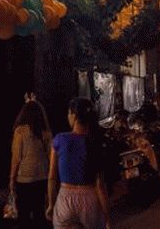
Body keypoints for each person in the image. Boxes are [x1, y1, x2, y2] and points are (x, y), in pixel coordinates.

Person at [47, 98, 110, 229]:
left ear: (74, 116)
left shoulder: (59, 140)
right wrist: (107, 218)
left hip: (65, 199)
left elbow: (52, 178)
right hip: (89, 201)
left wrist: (51, 205)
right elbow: (100, 185)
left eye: (69, 113)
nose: (68, 117)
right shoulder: (94, 143)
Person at [9, 98, 52, 228]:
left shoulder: (20, 132)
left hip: (24, 178)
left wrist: (11, 178)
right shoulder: (47, 133)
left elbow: (16, 158)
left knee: (24, 215)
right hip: (42, 176)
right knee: (39, 212)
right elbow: (50, 157)